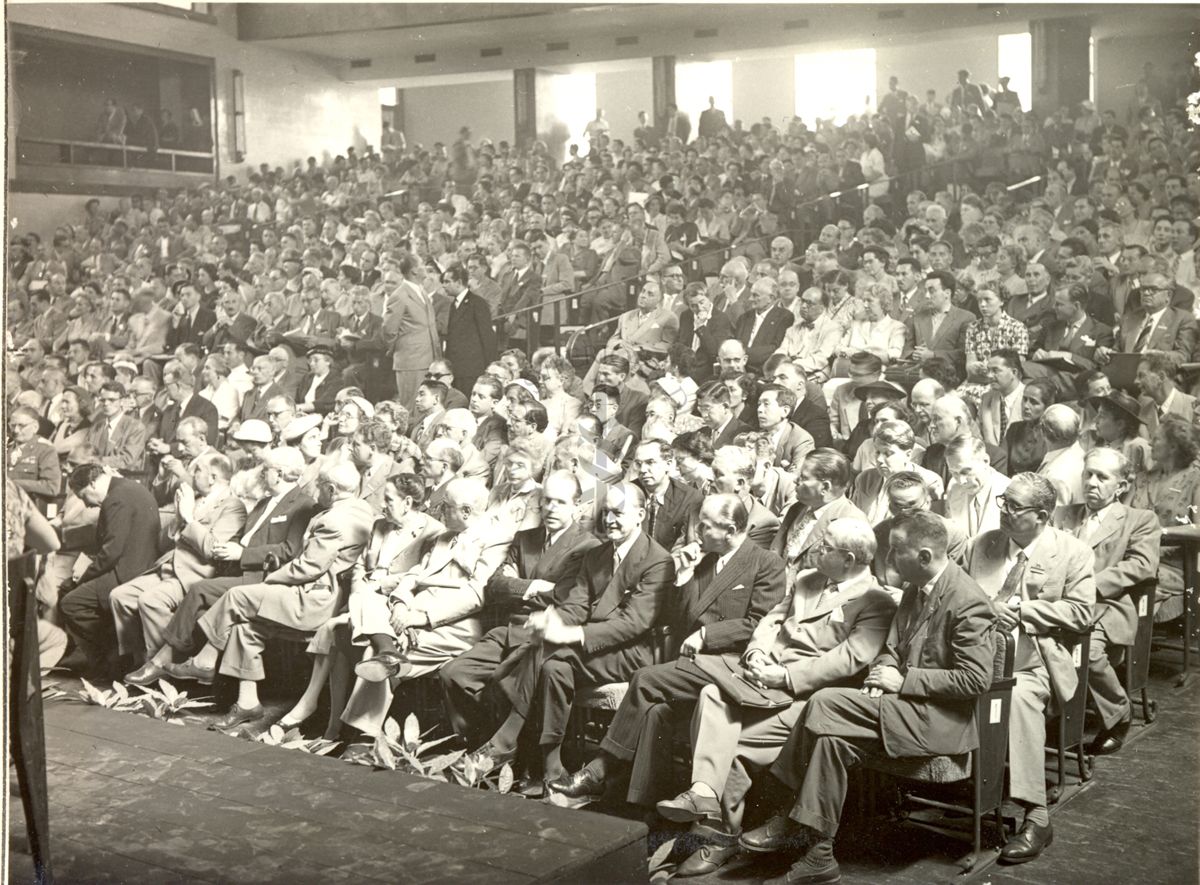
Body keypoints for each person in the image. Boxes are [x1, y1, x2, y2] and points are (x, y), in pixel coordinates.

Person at [737, 512, 994, 883]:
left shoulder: (967, 601)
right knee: (830, 742)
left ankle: (783, 813)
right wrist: (881, 673)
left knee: (824, 701)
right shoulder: (915, 587)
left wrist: (902, 679)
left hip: (939, 723)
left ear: (924, 556)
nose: (886, 560)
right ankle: (819, 856)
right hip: (902, 708)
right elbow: (891, 647)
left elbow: (975, 679)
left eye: (896, 551)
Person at [661, 518, 896, 876]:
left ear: (848, 559)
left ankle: (721, 834)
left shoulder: (876, 601)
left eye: (825, 546)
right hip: (760, 679)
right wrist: (757, 653)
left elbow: (851, 658)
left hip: (807, 698)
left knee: (730, 745)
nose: (816, 548)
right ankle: (705, 792)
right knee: (710, 691)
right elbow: (770, 621)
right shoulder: (806, 580)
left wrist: (786, 675)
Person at [548, 493, 787, 809]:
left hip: (731, 665)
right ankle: (638, 807)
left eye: (706, 527)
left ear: (730, 530)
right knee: (654, 712)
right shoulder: (704, 561)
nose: (698, 532)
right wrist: (684, 578)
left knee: (645, 680)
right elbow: (675, 619)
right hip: (691, 664)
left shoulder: (766, 563)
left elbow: (760, 623)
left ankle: (599, 769)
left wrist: (707, 634)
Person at [474, 482, 673, 785]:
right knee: (553, 666)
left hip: (631, 650)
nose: (609, 520)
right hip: (588, 645)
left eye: (618, 513)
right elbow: (576, 606)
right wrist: (551, 622)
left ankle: (506, 740)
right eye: (605, 512)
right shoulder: (597, 554)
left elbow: (634, 623)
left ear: (641, 514)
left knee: (545, 650)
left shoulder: (658, 560)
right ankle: (552, 766)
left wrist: (572, 634)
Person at [164, 461, 375, 732]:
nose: (316, 492)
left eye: (320, 487)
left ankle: (204, 660)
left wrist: (271, 579)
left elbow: (307, 567)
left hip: (314, 602)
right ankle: (247, 702)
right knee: (244, 629)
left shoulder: (333, 520)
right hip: (324, 595)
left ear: (331, 489)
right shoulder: (362, 509)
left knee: (236, 596)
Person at [964, 473, 1096, 864]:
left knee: (1017, 696)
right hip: (974, 654)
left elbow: (1082, 613)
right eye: (1002, 501)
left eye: (1013, 507)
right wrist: (989, 608)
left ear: (1041, 516)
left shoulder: (1073, 552)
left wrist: (1023, 611)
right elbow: (957, 592)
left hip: (1034, 660)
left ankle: (1036, 815)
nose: (1002, 511)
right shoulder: (982, 544)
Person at [1063, 447, 1161, 756]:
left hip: (1107, 604)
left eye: (1102, 477)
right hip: (1060, 601)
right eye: (1087, 474)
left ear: (1121, 486)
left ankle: (1119, 713)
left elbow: (1141, 565)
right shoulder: (1064, 514)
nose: (1091, 482)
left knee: (1086, 650)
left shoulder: (1139, 519)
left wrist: (1087, 585)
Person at [114, 453, 247, 674]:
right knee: (120, 596)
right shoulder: (193, 499)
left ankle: (164, 666)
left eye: (197, 470)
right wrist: (179, 516)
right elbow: (165, 542)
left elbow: (211, 549)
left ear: (213, 477)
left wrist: (189, 517)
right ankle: (140, 660)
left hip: (196, 573)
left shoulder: (233, 506)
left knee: (150, 601)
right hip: (168, 567)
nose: (191, 474)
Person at [57, 464, 162, 678]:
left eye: (83, 495)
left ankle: (109, 660)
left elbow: (110, 553)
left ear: (93, 483)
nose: (85, 504)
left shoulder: (116, 498)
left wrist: (83, 577)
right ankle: (108, 656)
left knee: (70, 603)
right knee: (67, 589)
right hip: (139, 566)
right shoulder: (129, 489)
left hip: (126, 573)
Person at [1130, 415, 1200, 624]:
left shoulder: (1195, 479)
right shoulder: (1144, 478)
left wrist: (1162, 532)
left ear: (1173, 447)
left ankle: (1128, 651)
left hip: (1173, 567)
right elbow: (1121, 515)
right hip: (1133, 557)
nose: (1150, 443)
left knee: (1126, 587)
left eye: (1157, 439)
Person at [772, 449, 866, 573]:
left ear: (825, 487)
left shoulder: (852, 523)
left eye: (803, 477)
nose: (795, 481)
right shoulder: (798, 507)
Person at [442, 263, 497, 395]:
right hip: (457, 369)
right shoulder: (453, 305)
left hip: (472, 369)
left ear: (459, 282)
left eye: (447, 282)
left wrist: (490, 366)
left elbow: (487, 336)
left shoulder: (477, 303)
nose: (444, 285)